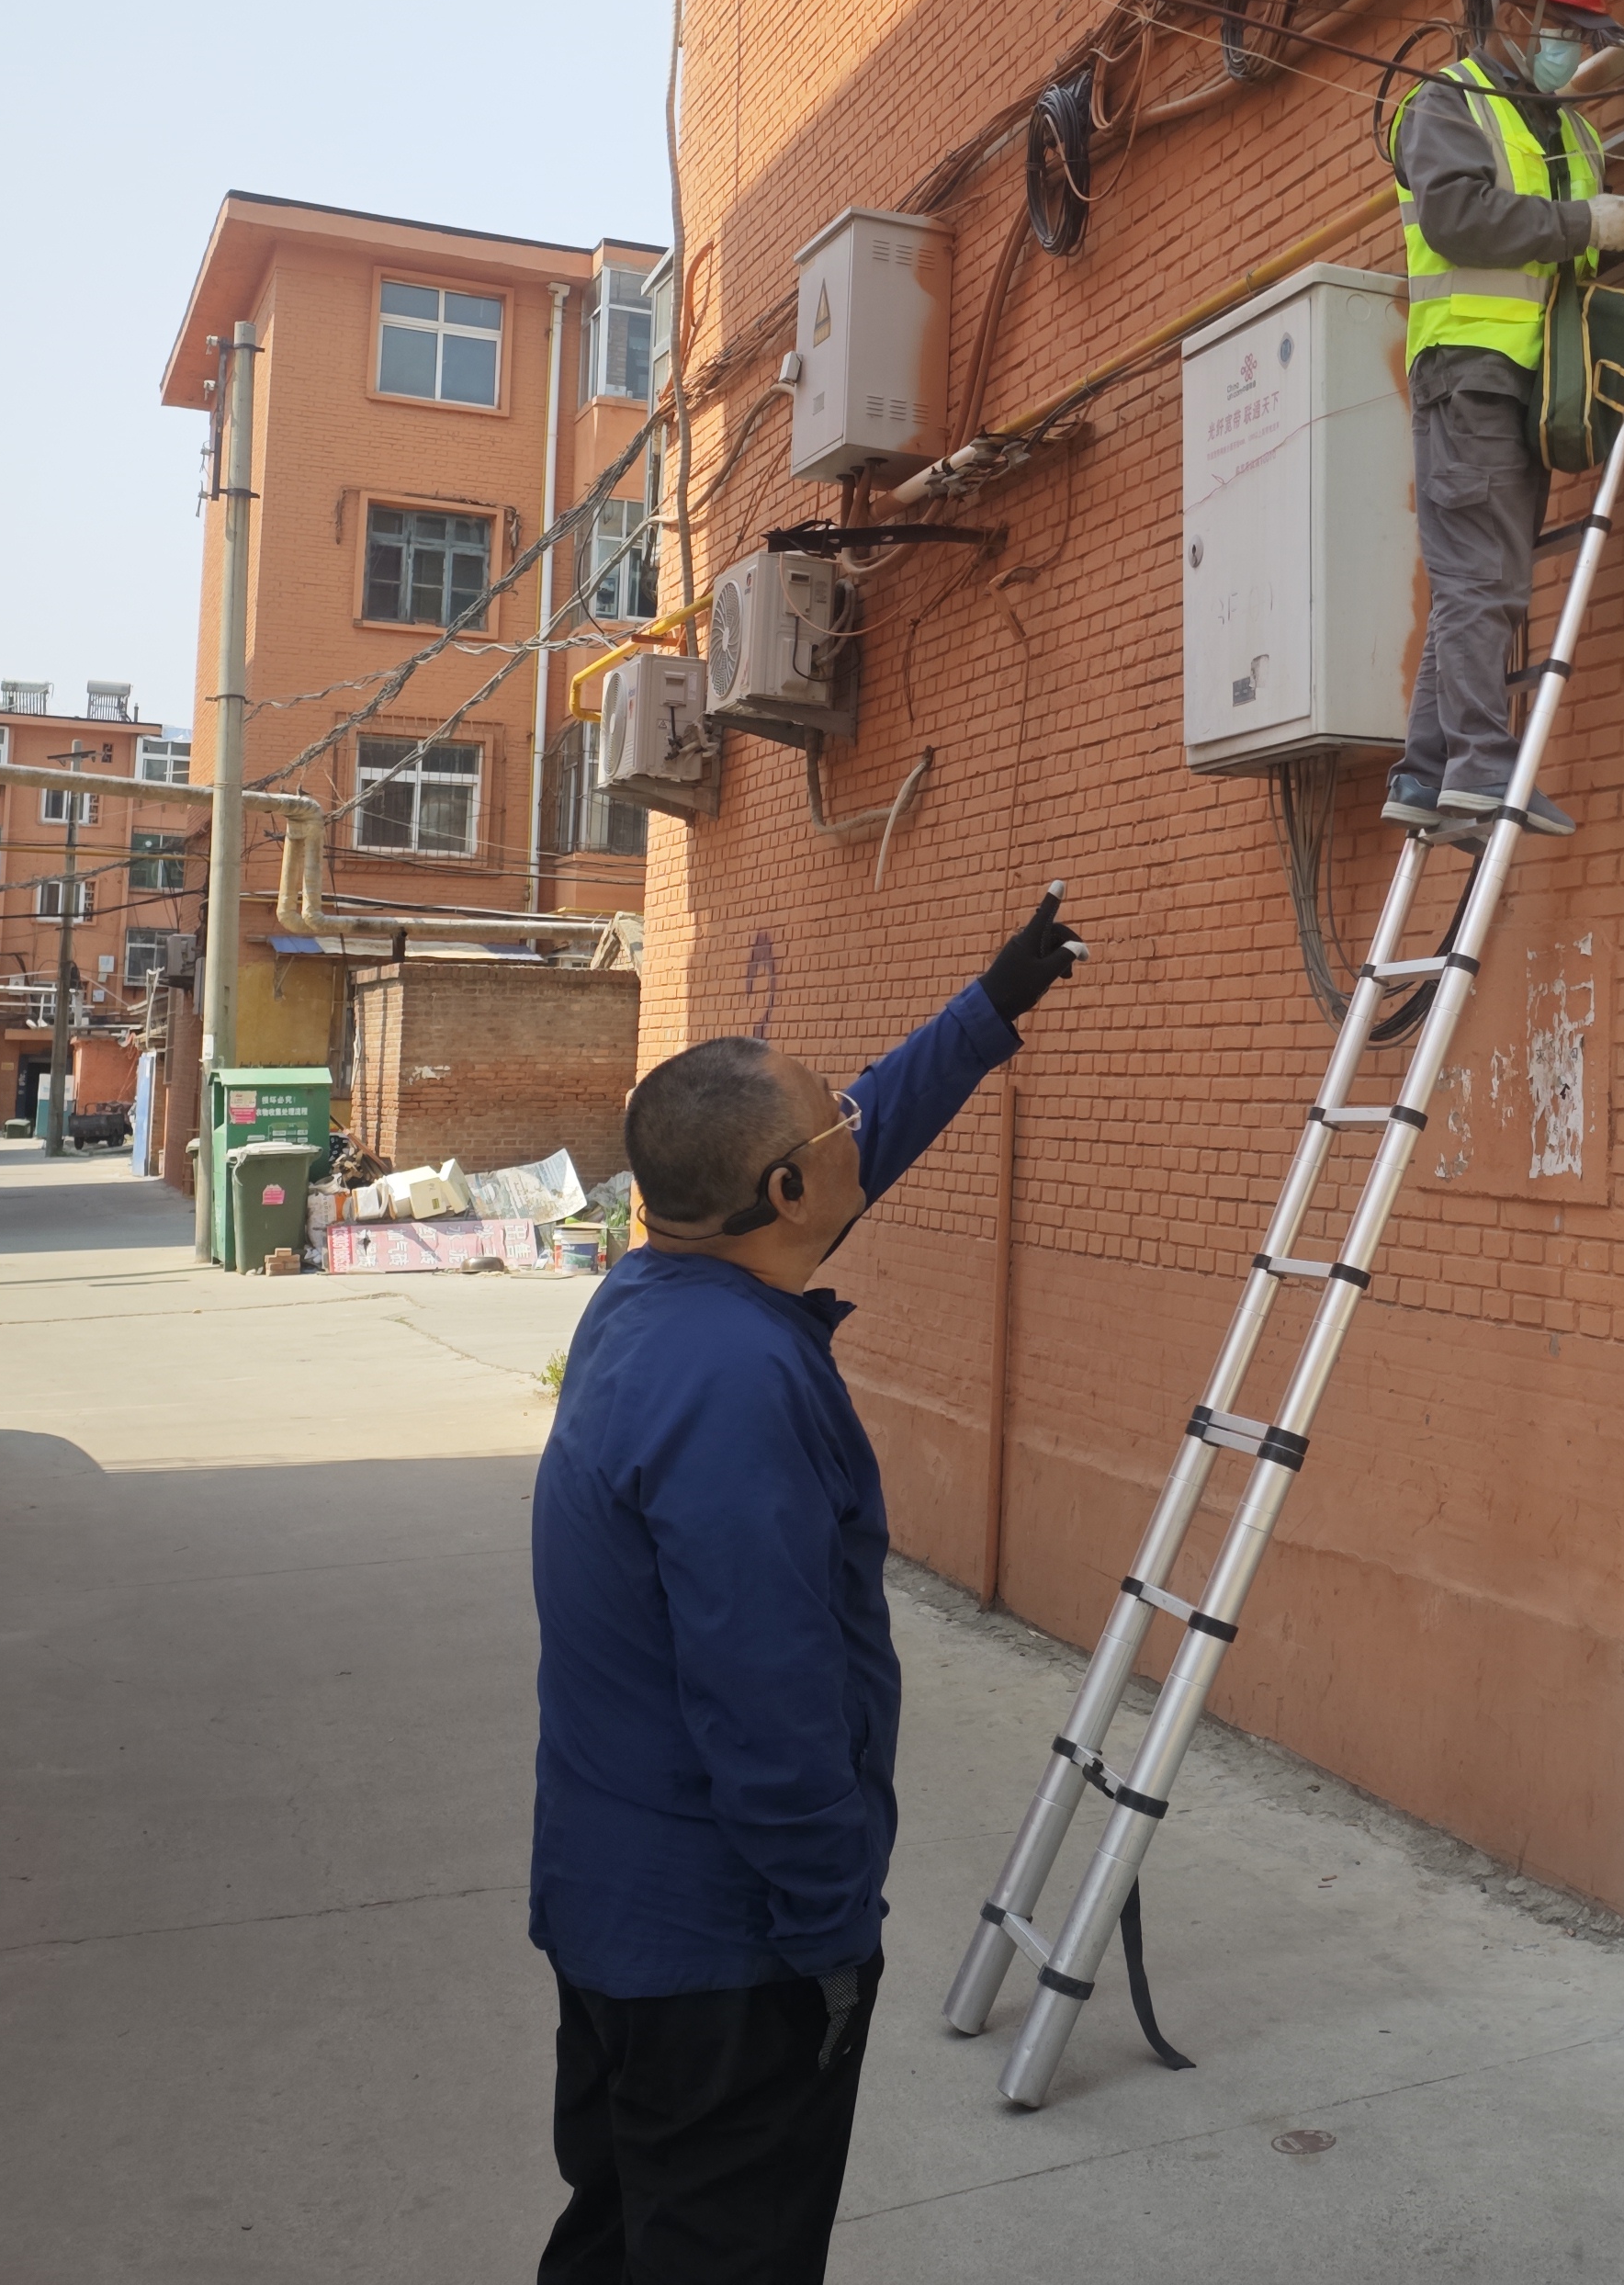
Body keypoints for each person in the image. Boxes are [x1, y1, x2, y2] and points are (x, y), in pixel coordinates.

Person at [529, 885, 1089, 2283]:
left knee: (619, 2233)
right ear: (784, 1195)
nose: (855, 1120)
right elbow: (764, 1704)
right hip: (721, 1956)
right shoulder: (737, 1389)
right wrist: (833, 1931)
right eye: (831, 1118)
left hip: (615, 1916)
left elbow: (856, 1141)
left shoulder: (657, 1292)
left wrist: (990, 1008)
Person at [1382, 0, 1624, 845]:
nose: (1569, 47)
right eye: (1560, 26)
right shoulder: (1447, 104)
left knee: (1480, 579)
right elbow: (1459, 219)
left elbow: (1568, 250)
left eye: (1579, 31)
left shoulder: (1572, 136)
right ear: (1510, 12)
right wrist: (1589, 224)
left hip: (1530, 389)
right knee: (1484, 583)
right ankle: (1480, 766)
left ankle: (1425, 772)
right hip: (1467, 374)